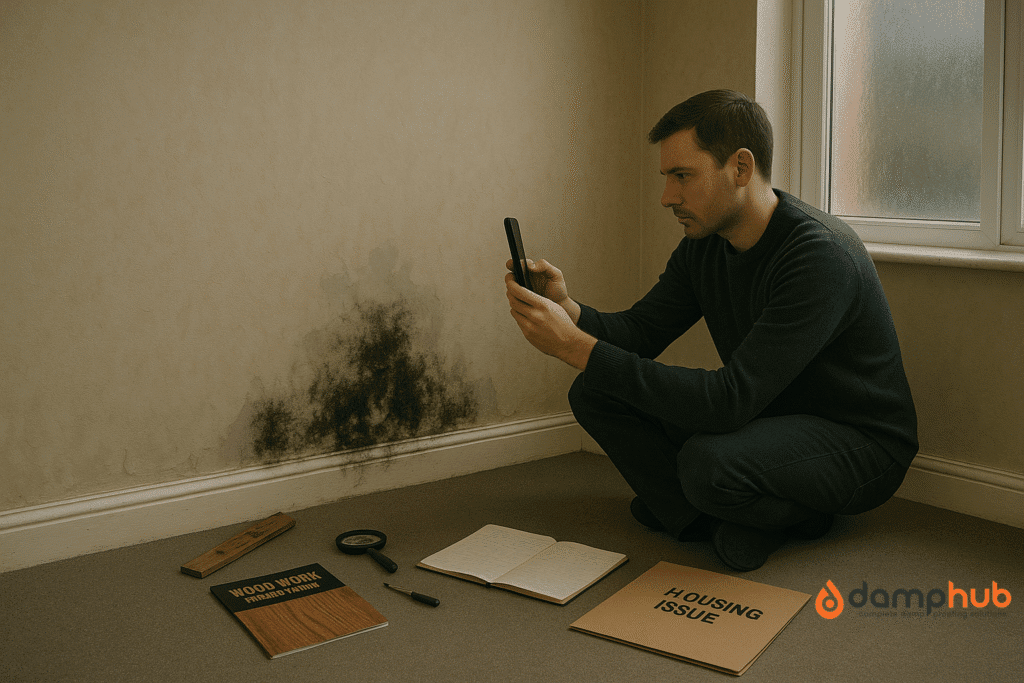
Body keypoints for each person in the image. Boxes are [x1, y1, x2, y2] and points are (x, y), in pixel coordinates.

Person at [504, 89, 918, 572]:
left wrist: (575, 348)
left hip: (859, 444)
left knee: (707, 463)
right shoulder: (704, 245)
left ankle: (751, 510)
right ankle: (708, 516)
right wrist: (569, 311)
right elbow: (641, 331)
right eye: (667, 179)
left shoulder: (821, 256)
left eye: (682, 176)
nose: (667, 197)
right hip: (767, 413)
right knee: (596, 392)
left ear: (740, 168)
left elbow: (729, 400)